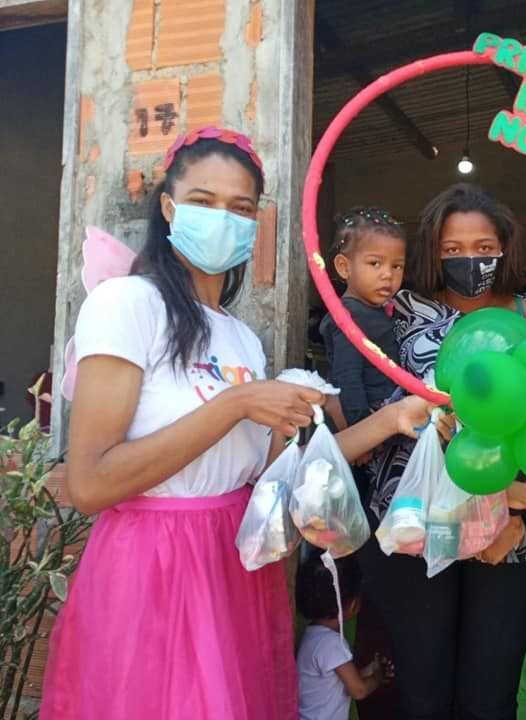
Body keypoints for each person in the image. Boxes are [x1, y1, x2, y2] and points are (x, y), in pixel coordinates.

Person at [39, 127, 435, 720]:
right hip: (153, 569)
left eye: (241, 208)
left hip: (236, 564)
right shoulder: (126, 304)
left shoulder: (240, 337)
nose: (223, 218)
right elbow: (91, 483)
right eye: (203, 202)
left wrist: (395, 418)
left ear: (255, 224)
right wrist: (235, 403)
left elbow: (290, 472)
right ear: (169, 208)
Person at [359, 183, 526, 720]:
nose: (469, 260)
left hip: (516, 532)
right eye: (452, 250)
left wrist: (506, 512)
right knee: (422, 693)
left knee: (488, 696)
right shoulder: (396, 310)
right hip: (416, 525)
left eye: (483, 247)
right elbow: (374, 400)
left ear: (506, 247)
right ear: (432, 251)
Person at [320, 207, 406, 427]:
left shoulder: (375, 309)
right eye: (375, 263)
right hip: (367, 421)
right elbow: (347, 376)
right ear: (344, 267)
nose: (388, 274)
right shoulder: (348, 316)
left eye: (396, 266)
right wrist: (358, 426)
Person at [296, 551, 392, 720]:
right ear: (353, 604)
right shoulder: (332, 644)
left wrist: (370, 670)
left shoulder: (313, 636)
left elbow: (341, 685)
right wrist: (377, 678)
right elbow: (358, 690)